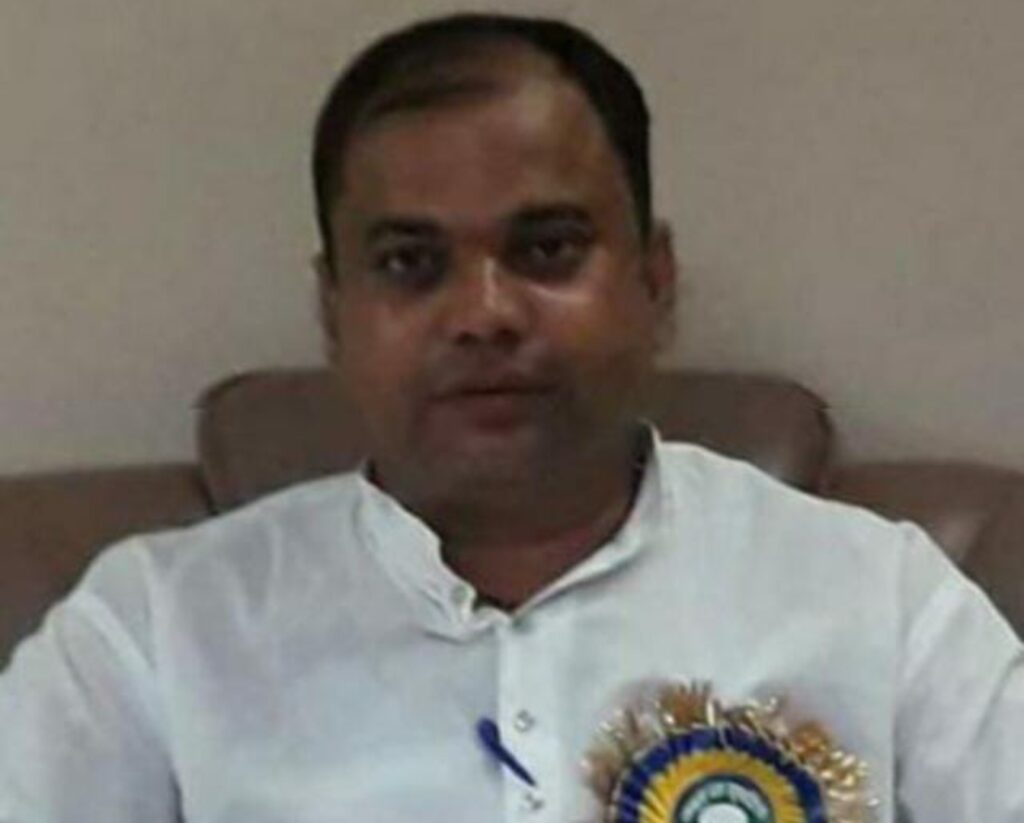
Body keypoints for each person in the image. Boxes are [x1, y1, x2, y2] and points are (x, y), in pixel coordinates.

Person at [1, 12, 1021, 823]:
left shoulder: (883, 604)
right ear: (334, 310)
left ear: (655, 281)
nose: (483, 313)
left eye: (547, 250)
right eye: (410, 262)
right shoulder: (155, 634)